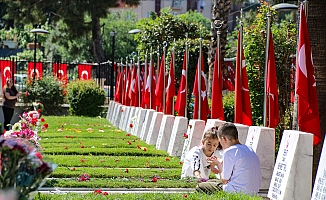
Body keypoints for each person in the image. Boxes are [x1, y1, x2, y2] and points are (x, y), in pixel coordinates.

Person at [196, 122, 261, 195]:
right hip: (253, 191)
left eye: (220, 142)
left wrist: (218, 164)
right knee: (210, 182)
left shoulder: (230, 151)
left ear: (224, 139)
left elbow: (224, 180)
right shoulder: (249, 149)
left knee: (200, 186)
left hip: (236, 191)